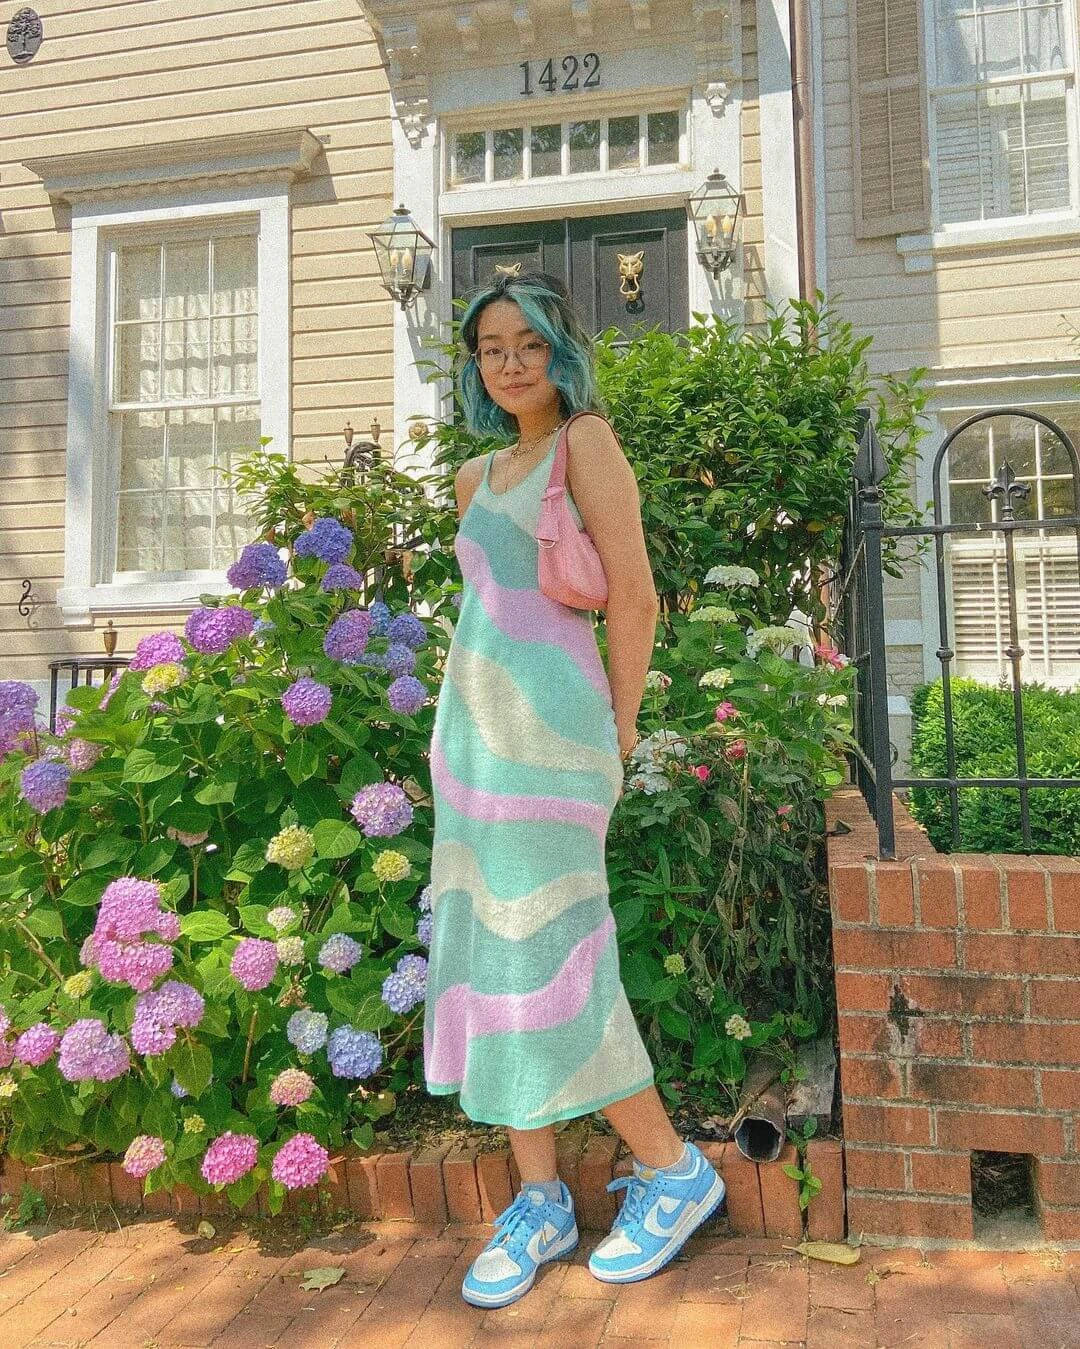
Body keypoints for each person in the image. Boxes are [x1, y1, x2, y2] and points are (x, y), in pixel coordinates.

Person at [422, 269, 725, 1308]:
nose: (510, 363)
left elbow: (633, 598)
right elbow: (482, 618)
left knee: (558, 950)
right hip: (473, 743)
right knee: (494, 948)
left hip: (557, 740)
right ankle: (540, 1193)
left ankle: (677, 1169)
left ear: (561, 347)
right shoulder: (474, 474)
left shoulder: (583, 444)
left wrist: (623, 726)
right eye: (491, 347)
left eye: (529, 343)